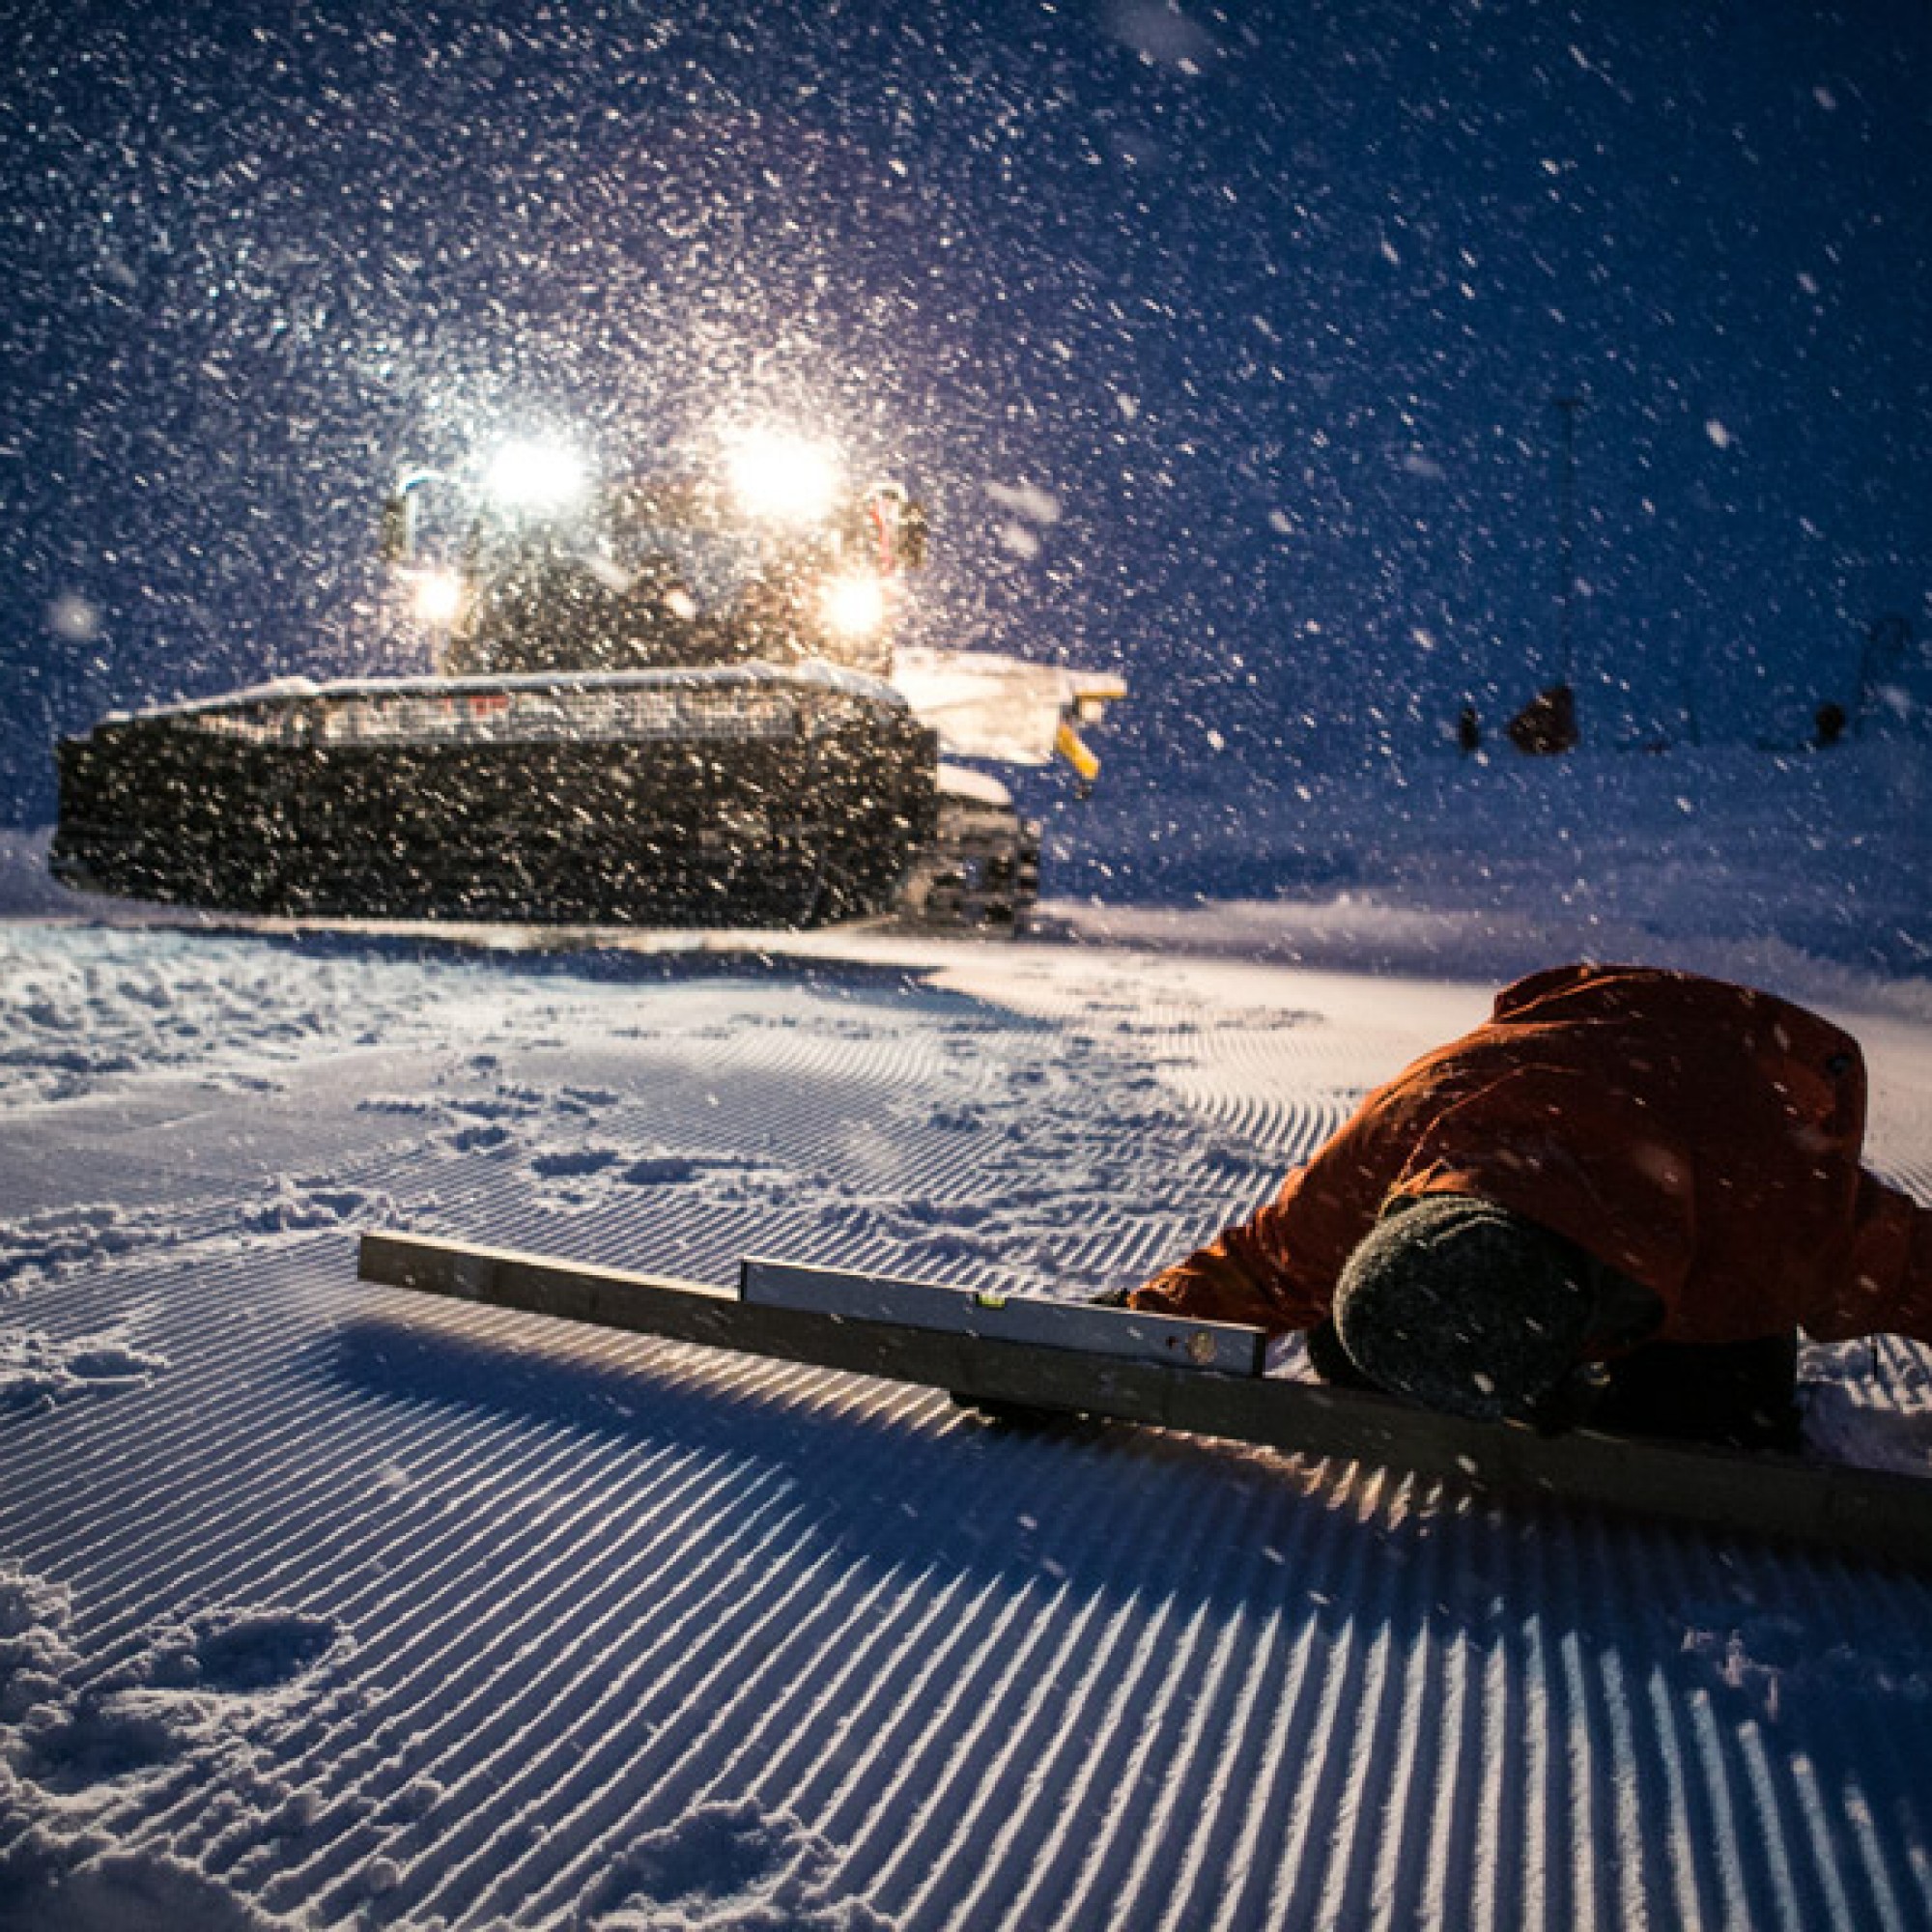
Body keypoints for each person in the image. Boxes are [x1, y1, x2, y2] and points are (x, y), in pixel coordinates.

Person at [1126, 963, 1932, 1449]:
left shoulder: (1768, 1203)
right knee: (1354, 1353)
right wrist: (1124, 1324)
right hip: (1557, 1064)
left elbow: (1912, 1267)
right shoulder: (1398, 1141)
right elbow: (1266, 1262)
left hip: (1724, 1069)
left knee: (1715, 1405)